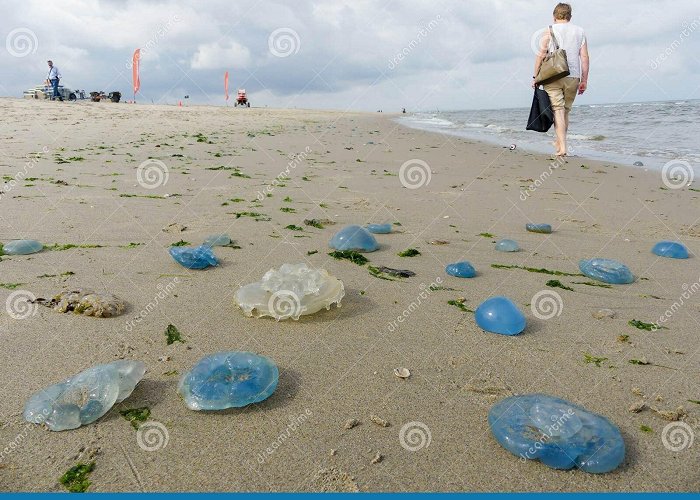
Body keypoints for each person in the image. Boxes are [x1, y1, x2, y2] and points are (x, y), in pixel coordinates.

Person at [532, 3, 588, 157]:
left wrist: (535, 76)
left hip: (553, 75)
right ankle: (560, 143)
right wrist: (584, 79)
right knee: (565, 112)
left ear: (554, 16)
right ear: (569, 16)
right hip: (573, 76)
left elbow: (541, 54)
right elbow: (584, 57)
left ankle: (562, 148)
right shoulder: (580, 31)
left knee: (558, 110)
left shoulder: (549, 30)